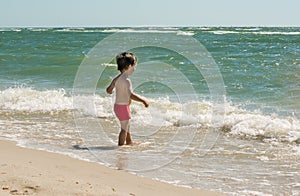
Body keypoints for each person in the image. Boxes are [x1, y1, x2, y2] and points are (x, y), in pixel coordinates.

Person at [106, 52, 149, 146]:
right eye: (134, 67)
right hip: (123, 108)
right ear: (129, 66)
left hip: (118, 106)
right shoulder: (127, 81)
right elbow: (130, 95)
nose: (135, 69)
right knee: (124, 129)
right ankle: (120, 147)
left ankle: (129, 141)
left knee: (126, 126)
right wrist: (143, 101)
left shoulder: (116, 79)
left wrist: (112, 91)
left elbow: (108, 90)